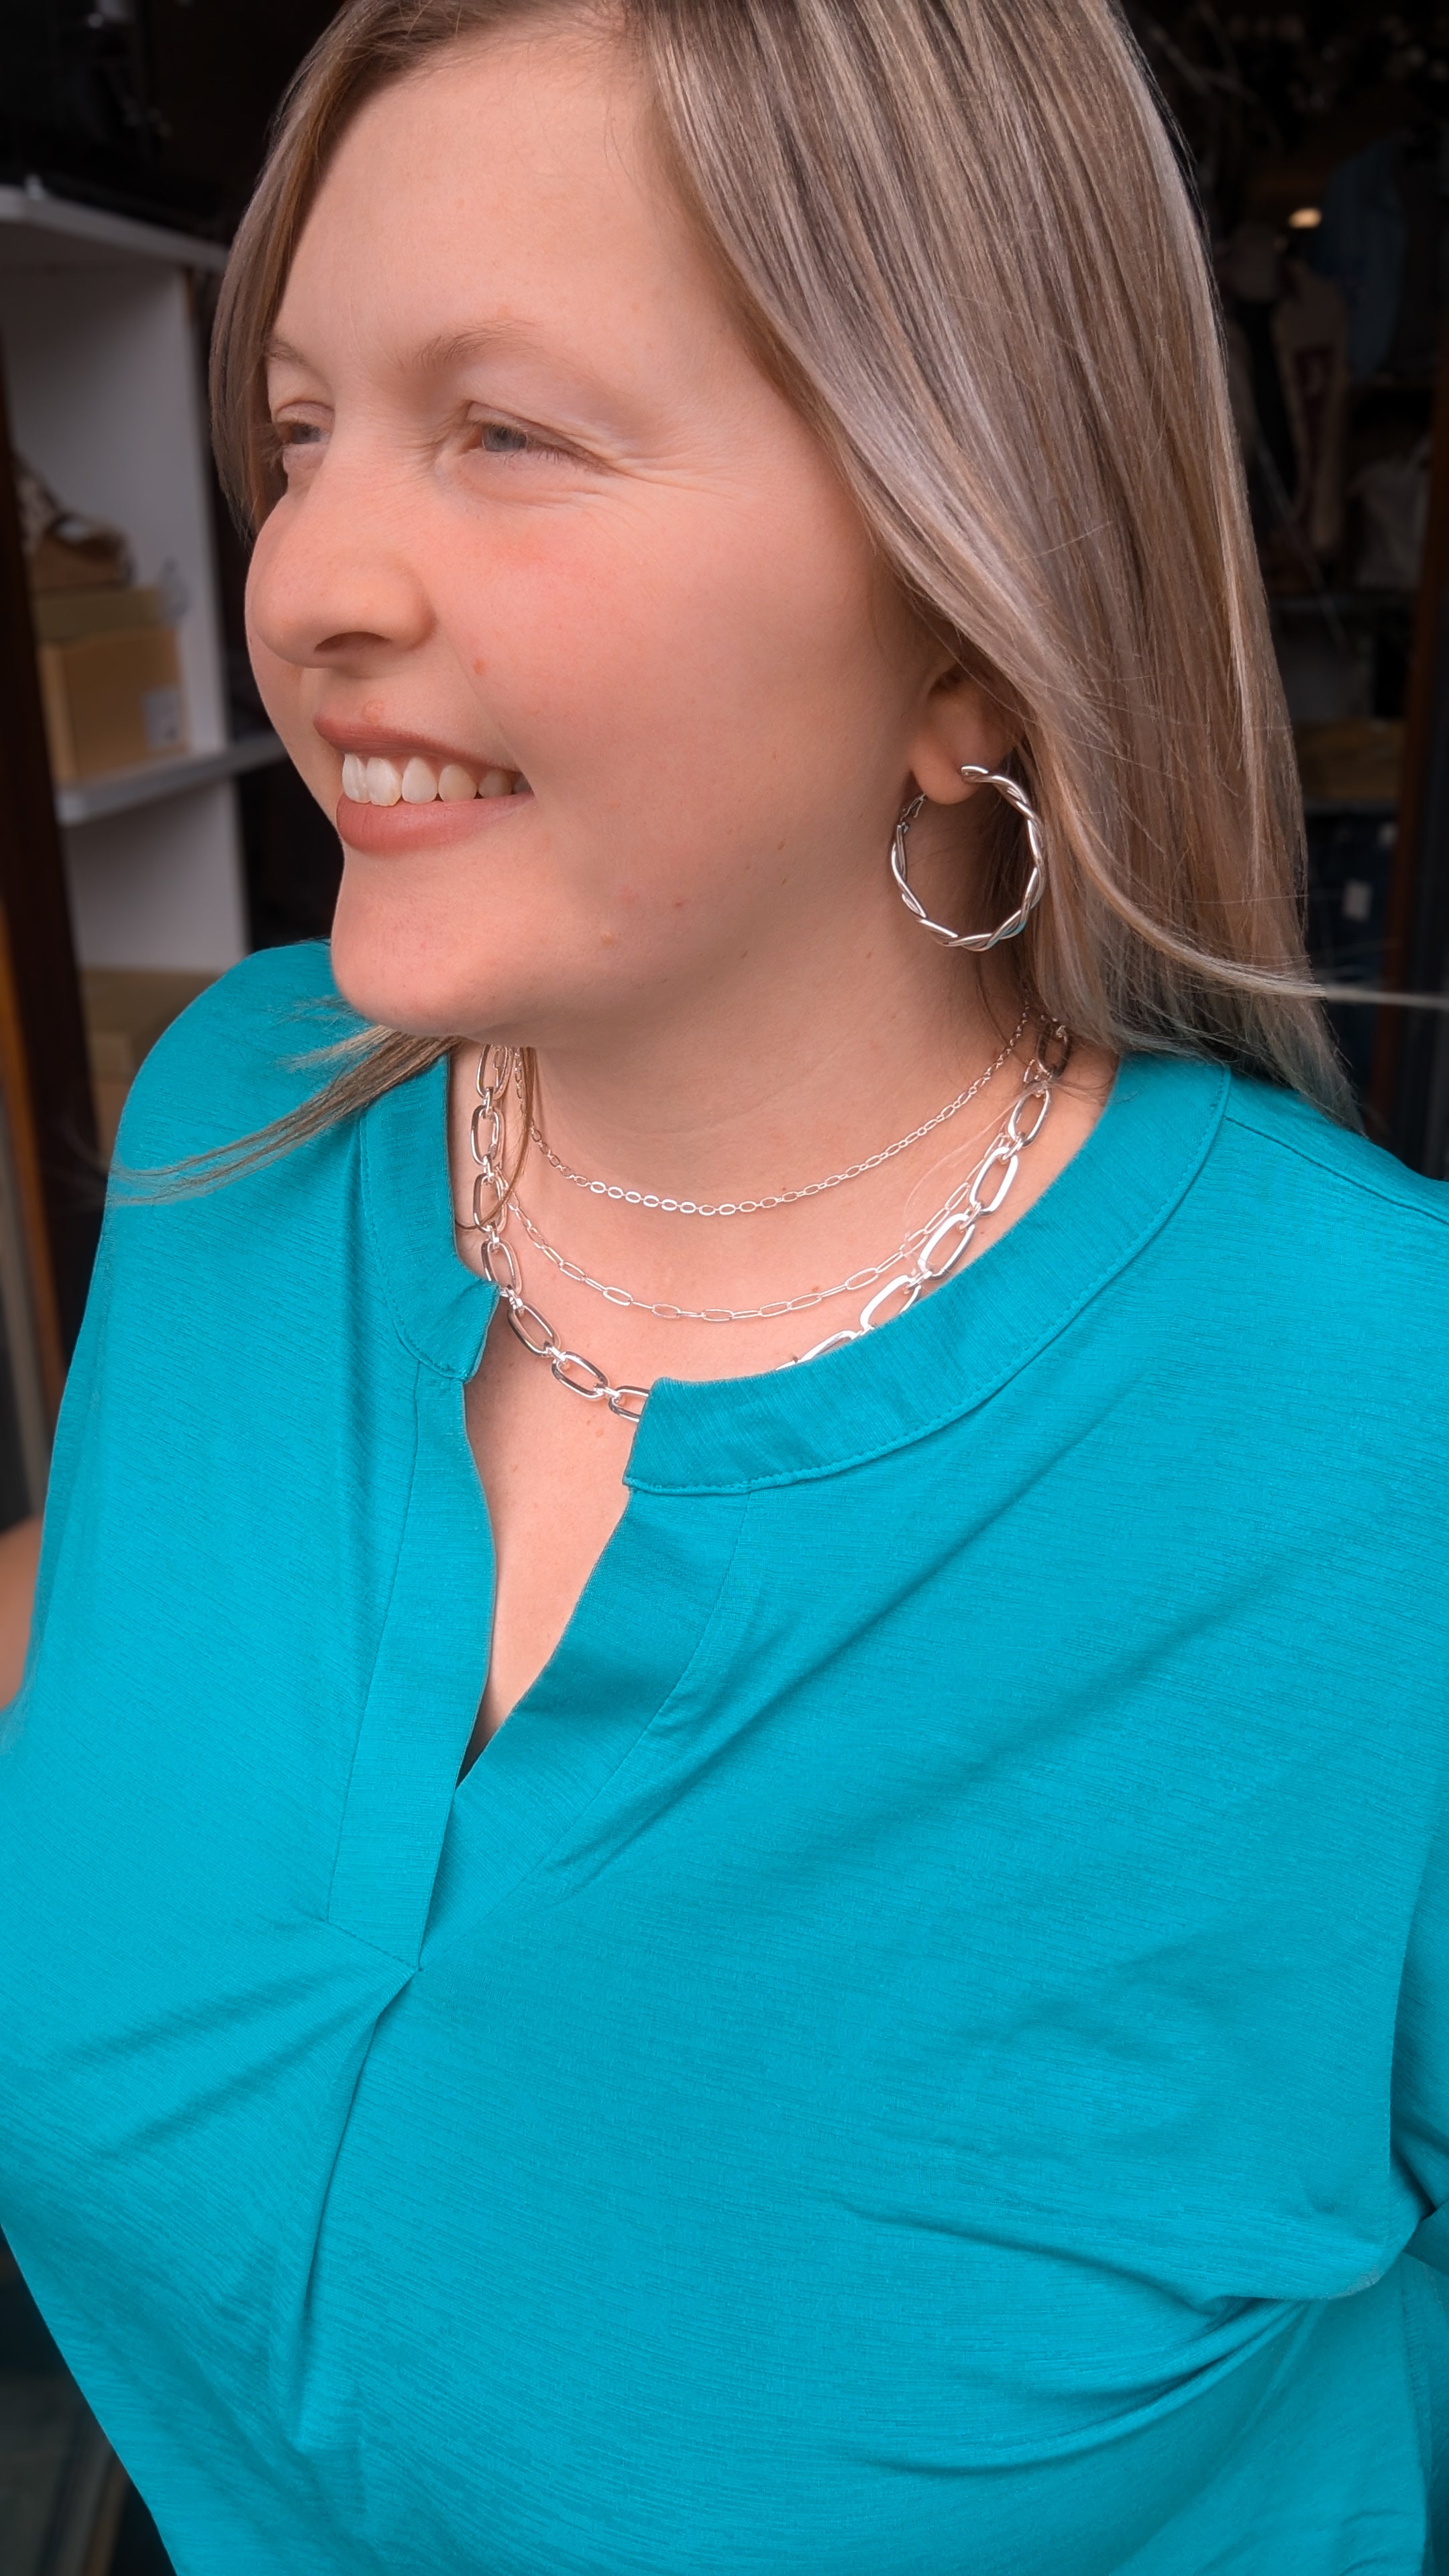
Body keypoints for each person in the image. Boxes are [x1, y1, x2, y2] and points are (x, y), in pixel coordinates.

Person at [1, 3, 1446, 2569]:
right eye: (305, 430)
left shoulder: (1376, 1444)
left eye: (506, 432)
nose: (301, 581)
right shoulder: (242, 1122)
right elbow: (166, 1622)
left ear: (967, 622)